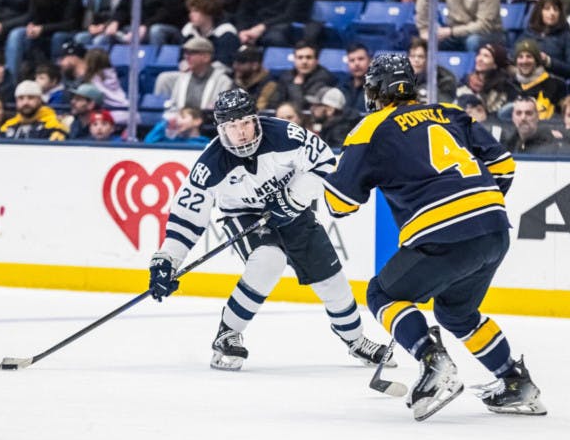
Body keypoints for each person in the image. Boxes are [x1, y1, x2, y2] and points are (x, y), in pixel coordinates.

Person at [322, 54, 547, 421]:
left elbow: (338, 203)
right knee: (456, 312)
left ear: (376, 90)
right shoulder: (449, 112)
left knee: (382, 293)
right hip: (492, 228)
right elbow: (504, 164)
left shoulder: (370, 128)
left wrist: (340, 172)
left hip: (445, 234)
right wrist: (476, 207)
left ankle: (433, 362)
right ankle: (514, 382)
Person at [147, 88, 394, 372]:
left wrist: (293, 198)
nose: (240, 133)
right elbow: (187, 217)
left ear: (256, 119)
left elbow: (325, 163)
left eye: (245, 123)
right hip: (244, 215)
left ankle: (356, 340)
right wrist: (167, 259)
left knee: (332, 280)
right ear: (220, 129)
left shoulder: (286, 135)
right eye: (231, 127)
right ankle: (228, 333)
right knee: (268, 260)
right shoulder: (210, 164)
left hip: (294, 210)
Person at [14, 0, 82, 77]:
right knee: (20, 34)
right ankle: (19, 78)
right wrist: (31, 25)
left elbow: (70, 22)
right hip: (43, 31)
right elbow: (33, 15)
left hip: (66, 30)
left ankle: (54, 76)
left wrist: (43, 29)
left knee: (57, 37)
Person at [155, 36, 235, 112]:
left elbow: (222, 113)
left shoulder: (223, 81)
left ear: (206, 57)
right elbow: (174, 106)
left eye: (191, 53)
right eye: (186, 53)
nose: (186, 57)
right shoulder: (182, 78)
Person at [522, 0, 570, 82]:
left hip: (552, 81)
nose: (552, 13)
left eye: (555, 9)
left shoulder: (567, 36)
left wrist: (549, 61)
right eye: (547, 9)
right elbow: (513, 53)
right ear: (539, 12)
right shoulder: (530, 32)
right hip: (525, 77)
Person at [270, 41, 338, 112]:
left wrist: (296, 86)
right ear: (294, 60)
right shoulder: (287, 76)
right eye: (300, 57)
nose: (304, 61)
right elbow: (274, 104)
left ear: (317, 60)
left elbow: (304, 107)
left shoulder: (324, 77)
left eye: (309, 57)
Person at [455, 43, 518, 117]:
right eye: (479, 54)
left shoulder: (505, 87)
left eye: (486, 56)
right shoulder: (466, 80)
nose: (479, 59)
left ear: (495, 64)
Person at [180, 0, 240, 67]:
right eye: (190, 11)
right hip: (193, 72)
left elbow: (225, 63)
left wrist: (200, 68)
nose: (191, 15)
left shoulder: (225, 32)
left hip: (219, 74)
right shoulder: (189, 31)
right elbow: (181, 58)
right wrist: (184, 66)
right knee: (165, 77)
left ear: (208, 12)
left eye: (195, 11)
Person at [511, 39, 566, 120]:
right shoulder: (511, 85)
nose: (524, 61)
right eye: (520, 57)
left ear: (537, 61)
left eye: (529, 56)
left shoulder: (556, 85)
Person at [0, 80, 68, 140]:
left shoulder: (54, 126)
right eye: (21, 98)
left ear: (39, 100)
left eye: (30, 98)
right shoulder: (7, 127)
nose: (25, 102)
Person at [407, 37, 458, 104]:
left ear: (428, 59)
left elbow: (446, 103)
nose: (416, 60)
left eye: (421, 56)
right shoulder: (400, 77)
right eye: (412, 56)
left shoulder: (445, 78)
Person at [232, 45, 279, 110]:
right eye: (235, 61)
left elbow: (260, 109)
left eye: (241, 62)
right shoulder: (238, 81)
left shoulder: (269, 84)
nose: (235, 66)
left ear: (255, 65)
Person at [143, 106, 212, 145]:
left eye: (183, 117)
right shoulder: (172, 141)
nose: (178, 121)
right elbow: (148, 143)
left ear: (197, 121)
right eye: (176, 118)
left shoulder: (205, 144)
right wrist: (166, 123)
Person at [341, 44, 372, 114]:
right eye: (352, 60)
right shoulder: (341, 86)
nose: (356, 63)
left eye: (361, 59)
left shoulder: (378, 88)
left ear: (370, 61)